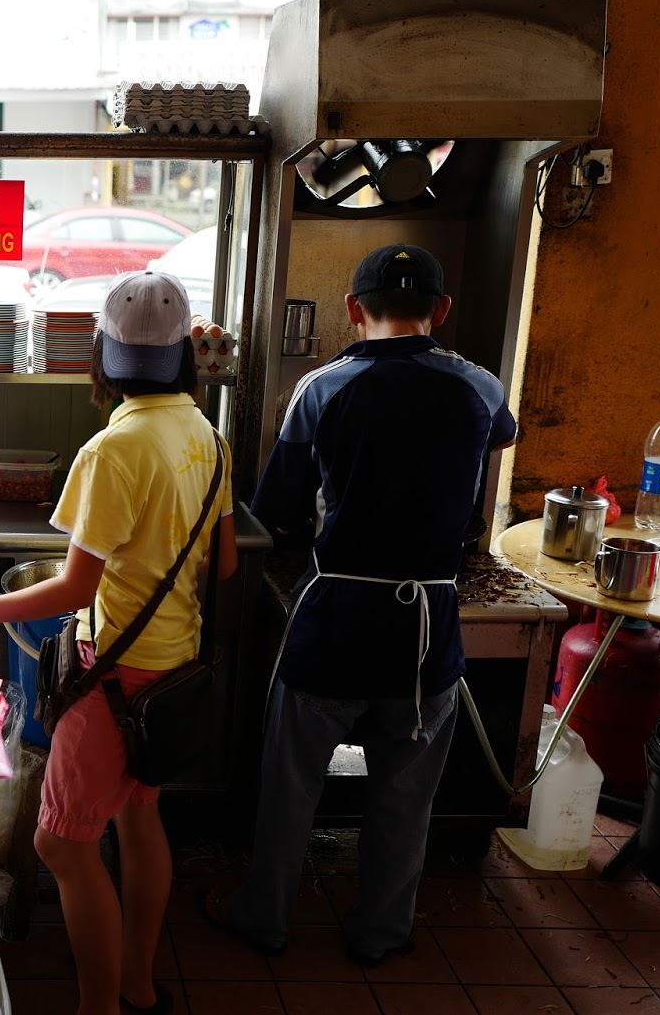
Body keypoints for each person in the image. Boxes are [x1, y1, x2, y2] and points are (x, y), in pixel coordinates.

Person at [0, 270, 237, 1015]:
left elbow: (72, 590)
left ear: (105, 355)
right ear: (183, 355)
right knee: (140, 817)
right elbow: (222, 564)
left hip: (115, 678)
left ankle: (99, 1005)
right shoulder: (209, 439)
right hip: (174, 673)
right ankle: (138, 984)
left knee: (60, 845)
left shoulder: (112, 449)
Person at [204, 244, 517, 966]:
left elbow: (276, 512)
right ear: (442, 309)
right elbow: (501, 435)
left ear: (352, 308)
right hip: (426, 627)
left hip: (337, 619)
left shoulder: (322, 388)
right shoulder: (480, 386)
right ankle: (381, 932)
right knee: (406, 800)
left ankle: (264, 918)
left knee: (291, 787)